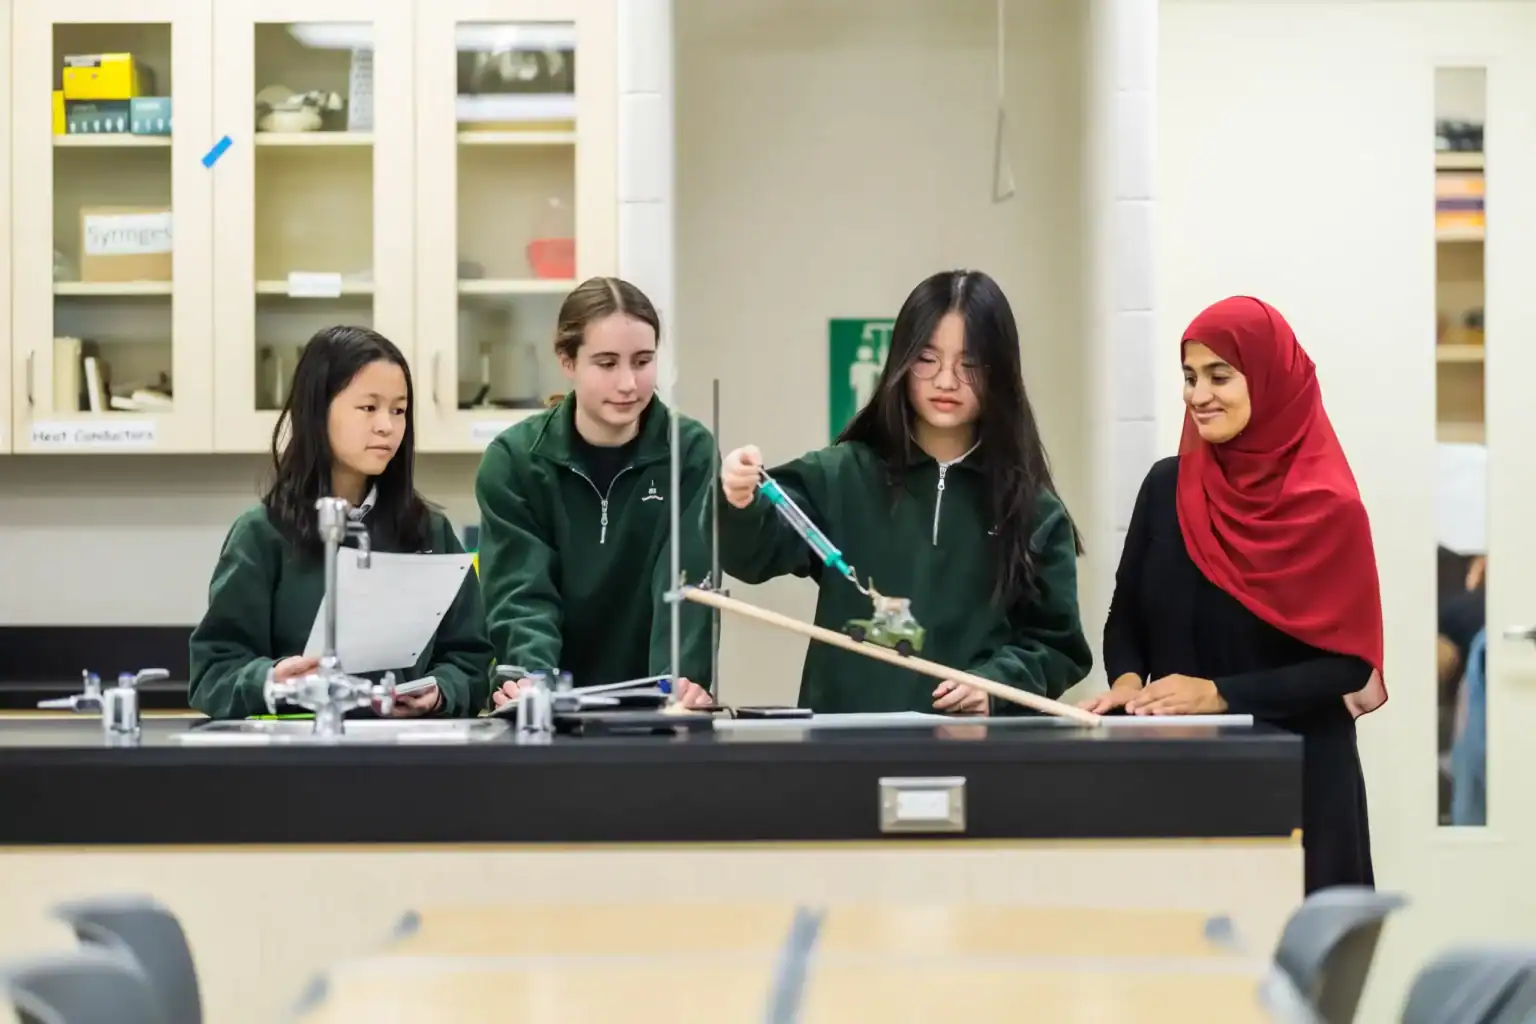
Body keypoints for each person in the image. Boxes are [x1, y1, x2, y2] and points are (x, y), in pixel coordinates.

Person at [1086, 295, 1386, 894]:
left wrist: (1222, 694)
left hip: (1300, 778)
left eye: (1220, 375)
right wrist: (1126, 684)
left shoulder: (1328, 507)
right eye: (1190, 377)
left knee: (1296, 978)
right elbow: (1126, 619)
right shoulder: (1166, 486)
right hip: (1184, 773)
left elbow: (1348, 664)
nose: (1199, 395)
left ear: (1271, 381)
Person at [716, 269, 1092, 714]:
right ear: (901, 361)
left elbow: (1057, 647)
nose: (946, 381)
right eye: (927, 359)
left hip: (974, 753)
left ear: (1001, 372)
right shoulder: (840, 476)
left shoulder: (1032, 510)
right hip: (845, 751)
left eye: (969, 363)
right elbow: (752, 555)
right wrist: (739, 500)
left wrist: (994, 688)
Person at [188, 326, 493, 719]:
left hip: (406, 759)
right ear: (317, 411)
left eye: (398, 410)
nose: (387, 425)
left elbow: (471, 660)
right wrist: (271, 680)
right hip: (297, 763)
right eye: (369, 408)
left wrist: (439, 692)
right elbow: (212, 673)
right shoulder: (262, 534)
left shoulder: (430, 532)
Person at [476, 276, 716, 708]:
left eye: (642, 361)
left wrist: (677, 683)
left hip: (656, 706)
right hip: (548, 707)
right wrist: (534, 680)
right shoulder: (513, 460)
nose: (628, 383)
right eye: (607, 363)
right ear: (567, 361)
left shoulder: (690, 452)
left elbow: (686, 583)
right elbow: (522, 590)